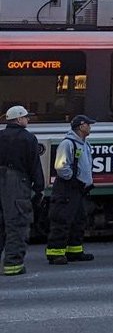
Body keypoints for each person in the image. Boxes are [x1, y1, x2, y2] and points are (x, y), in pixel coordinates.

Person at [45, 114, 96, 265]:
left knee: (78, 220)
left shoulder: (84, 144)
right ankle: (55, 254)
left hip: (78, 190)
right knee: (62, 220)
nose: (90, 127)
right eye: (88, 124)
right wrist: (74, 181)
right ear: (81, 126)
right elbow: (61, 167)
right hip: (67, 189)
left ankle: (74, 251)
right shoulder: (68, 144)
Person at [0, 106, 44, 275]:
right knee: (17, 223)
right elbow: (34, 165)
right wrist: (39, 188)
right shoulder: (28, 138)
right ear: (18, 120)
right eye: (26, 117)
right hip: (16, 182)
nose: (28, 120)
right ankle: (13, 264)